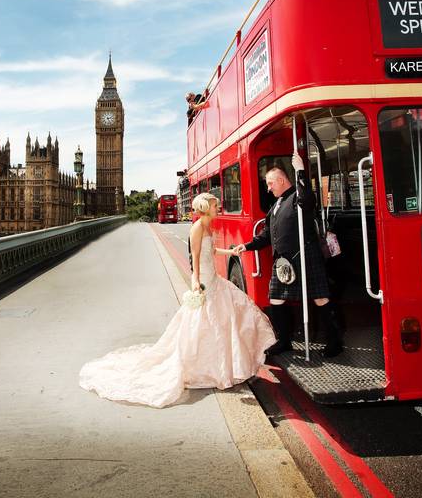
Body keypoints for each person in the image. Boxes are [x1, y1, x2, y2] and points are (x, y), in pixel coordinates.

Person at [79, 193, 276, 408]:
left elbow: (210, 250)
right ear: (205, 207)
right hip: (206, 281)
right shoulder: (197, 227)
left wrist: (231, 250)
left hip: (215, 279)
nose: (218, 207)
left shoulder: (209, 225)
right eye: (215, 205)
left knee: (227, 317)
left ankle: (222, 366)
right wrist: (195, 281)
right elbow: (196, 256)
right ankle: (204, 367)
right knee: (205, 323)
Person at [235, 154, 344, 358]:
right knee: (275, 298)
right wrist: (247, 246)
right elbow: (267, 235)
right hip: (283, 262)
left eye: (270, 183)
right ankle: (284, 341)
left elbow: (308, 200)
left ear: (281, 180)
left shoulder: (297, 197)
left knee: (320, 298)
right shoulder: (275, 205)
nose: (268, 188)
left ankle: (335, 342)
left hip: (305, 254)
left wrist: (300, 171)